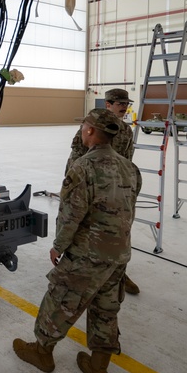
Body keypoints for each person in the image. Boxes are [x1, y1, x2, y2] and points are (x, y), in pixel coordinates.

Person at [13, 108, 141, 373]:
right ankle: (98, 370)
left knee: (60, 302)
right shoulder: (129, 168)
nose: (82, 130)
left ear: (92, 131)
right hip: (118, 256)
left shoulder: (83, 167)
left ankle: (42, 352)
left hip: (87, 255)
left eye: (84, 126)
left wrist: (58, 246)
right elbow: (129, 211)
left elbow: (72, 215)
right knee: (106, 310)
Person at [65, 88, 141, 296]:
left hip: (117, 191)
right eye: (120, 104)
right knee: (84, 229)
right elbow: (76, 157)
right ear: (108, 104)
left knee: (119, 233)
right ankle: (77, 271)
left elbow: (127, 160)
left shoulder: (125, 131)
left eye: (127, 104)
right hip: (91, 188)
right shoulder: (91, 126)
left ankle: (119, 274)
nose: (124, 108)